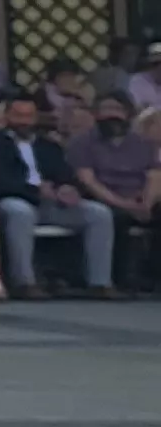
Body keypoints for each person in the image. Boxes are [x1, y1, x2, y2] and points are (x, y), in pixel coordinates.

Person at [0, 90, 117, 299]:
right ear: (7, 116)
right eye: (18, 115)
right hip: (12, 199)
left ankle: (100, 282)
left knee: (98, 213)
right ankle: (24, 282)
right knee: (20, 212)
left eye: (29, 116)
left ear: (36, 117)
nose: (24, 121)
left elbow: (66, 174)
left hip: (51, 203)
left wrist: (67, 188)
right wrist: (33, 189)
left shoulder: (48, 146)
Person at [70, 94, 155, 288]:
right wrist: (124, 204)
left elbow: (154, 175)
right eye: (106, 110)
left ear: (129, 114)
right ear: (96, 114)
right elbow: (88, 180)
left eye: (117, 110)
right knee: (115, 216)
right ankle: (121, 277)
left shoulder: (143, 144)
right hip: (102, 196)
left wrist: (146, 203)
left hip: (139, 197)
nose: (111, 115)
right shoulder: (82, 142)